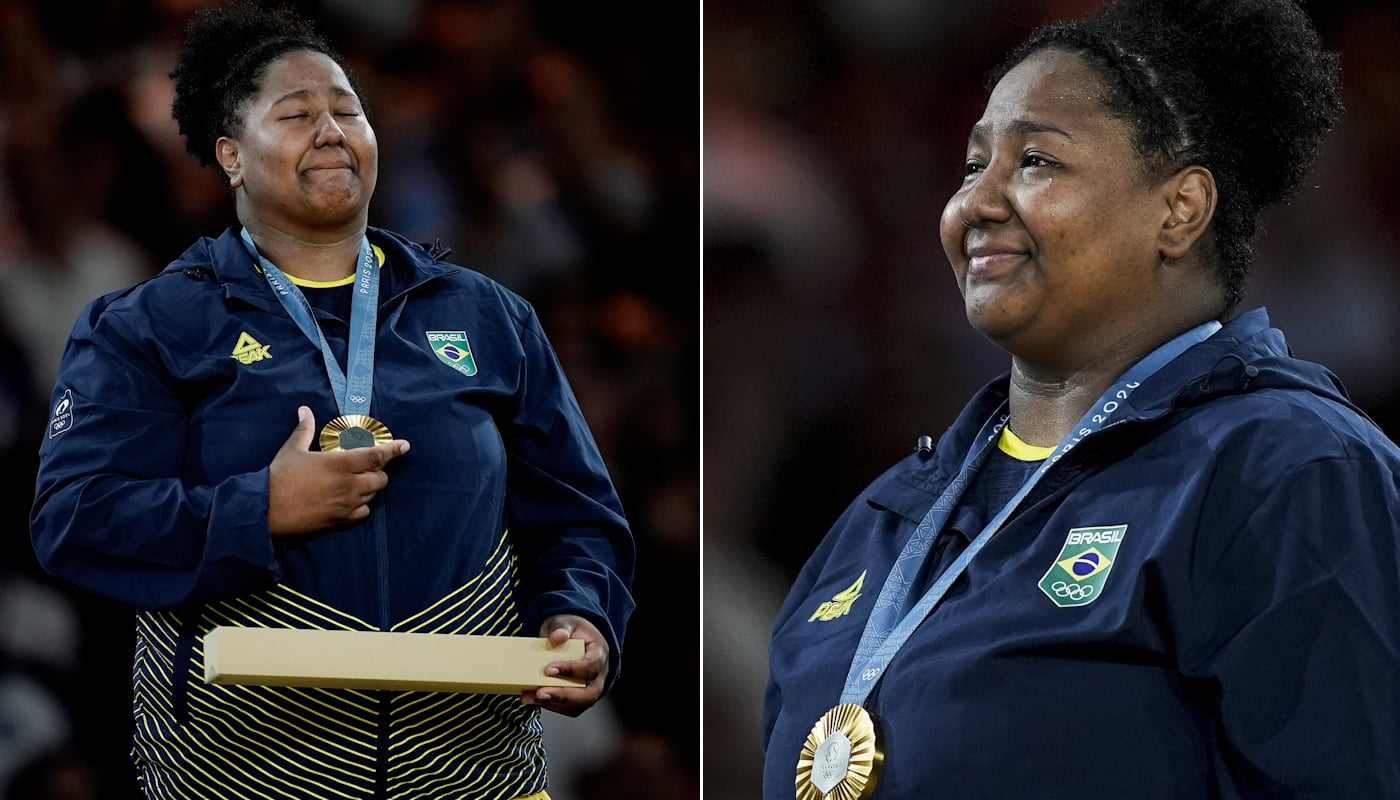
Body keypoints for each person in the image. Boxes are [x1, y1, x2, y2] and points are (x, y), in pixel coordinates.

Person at [761, 0, 1400, 797]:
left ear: (1180, 209)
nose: (974, 205)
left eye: (1035, 162)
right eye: (971, 166)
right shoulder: (881, 523)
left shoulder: (1289, 471)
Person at [28, 3, 634, 799]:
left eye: (348, 111)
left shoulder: (488, 317)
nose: (330, 129)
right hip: (240, 776)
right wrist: (261, 509)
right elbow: (75, 518)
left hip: (469, 775)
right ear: (230, 155)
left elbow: (578, 514)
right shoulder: (150, 325)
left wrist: (578, 616)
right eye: (296, 114)